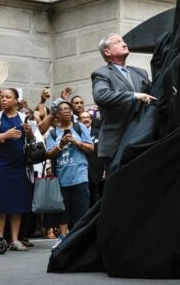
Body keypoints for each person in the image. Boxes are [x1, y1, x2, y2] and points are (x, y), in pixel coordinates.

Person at [91, 33, 156, 169]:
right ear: (107, 52)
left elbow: (155, 93)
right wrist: (133, 96)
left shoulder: (140, 73)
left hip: (141, 138)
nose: (124, 44)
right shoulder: (102, 73)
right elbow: (100, 96)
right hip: (116, 142)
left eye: (124, 41)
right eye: (118, 42)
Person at [0, 88, 35, 251]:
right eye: (2, 97)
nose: (3, 99)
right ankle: (0, 238)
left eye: (8, 97)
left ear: (16, 100)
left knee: (17, 203)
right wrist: (3, 136)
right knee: (1, 203)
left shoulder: (24, 118)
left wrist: (30, 133)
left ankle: (14, 239)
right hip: (1, 165)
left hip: (20, 165)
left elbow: (33, 142)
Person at [45, 101, 93, 239]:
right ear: (57, 115)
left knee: (81, 210)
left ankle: (80, 238)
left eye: (68, 108)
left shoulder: (80, 127)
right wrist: (60, 144)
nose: (66, 111)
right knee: (62, 211)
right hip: (61, 178)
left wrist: (76, 142)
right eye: (62, 109)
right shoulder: (53, 133)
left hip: (80, 176)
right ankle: (63, 238)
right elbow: (48, 154)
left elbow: (91, 149)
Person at [79, 110, 105, 205]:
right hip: (82, 172)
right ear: (79, 121)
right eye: (83, 118)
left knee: (98, 197)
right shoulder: (76, 135)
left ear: (91, 120)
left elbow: (104, 151)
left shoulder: (99, 133)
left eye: (87, 117)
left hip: (98, 170)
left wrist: (105, 168)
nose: (86, 119)